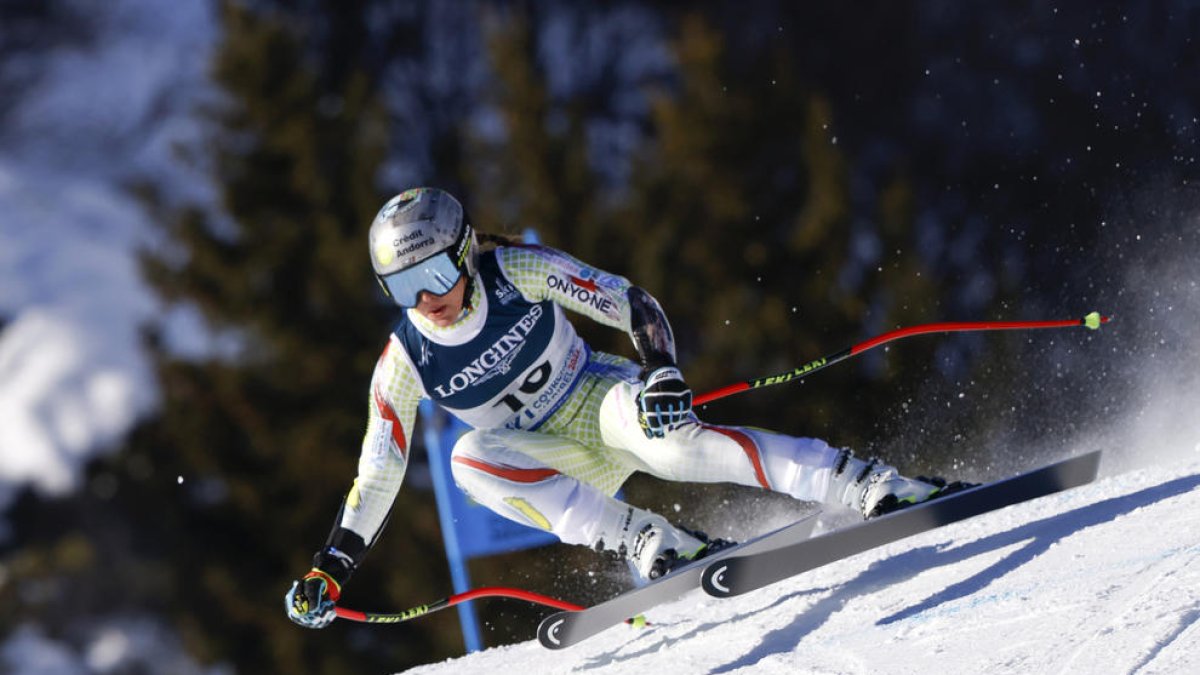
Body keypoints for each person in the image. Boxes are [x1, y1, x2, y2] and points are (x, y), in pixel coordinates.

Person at [285, 187, 949, 628]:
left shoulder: (512, 270)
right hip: (549, 454)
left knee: (679, 447)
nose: (427, 299)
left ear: (462, 251)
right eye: (403, 286)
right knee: (466, 459)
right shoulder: (404, 360)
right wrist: (329, 566)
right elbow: (378, 471)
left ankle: (866, 484)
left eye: (433, 273)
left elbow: (628, 300)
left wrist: (660, 370)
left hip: (597, 398)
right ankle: (651, 540)